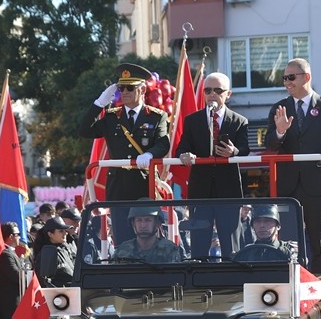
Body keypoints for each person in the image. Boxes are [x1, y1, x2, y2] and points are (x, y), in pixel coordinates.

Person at [264, 57, 321, 274]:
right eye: (284, 78)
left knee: (320, 243)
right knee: (289, 243)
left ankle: (320, 285)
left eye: (291, 77)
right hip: (287, 185)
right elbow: (270, 144)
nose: (287, 82)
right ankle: (292, 286)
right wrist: (280, 131)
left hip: (318, 185)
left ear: (307, 77)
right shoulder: (279, 108)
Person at [79, 63, 171, 245]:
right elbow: (84, 131)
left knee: (147, 236)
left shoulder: (155, 116)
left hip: (144, 183)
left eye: (130, 87)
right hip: (118, 184)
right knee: (122, 237)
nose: (125, 92)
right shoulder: (112, 117)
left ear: (143, 89)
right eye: (122, 88)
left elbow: (163, 143)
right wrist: (98, 104)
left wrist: (150, 155)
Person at [176, 72, 252, 258]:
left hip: (228, 189)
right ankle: (199, 280)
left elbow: (245, 150)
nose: (212, 94)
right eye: (208, 90)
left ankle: (232, 280)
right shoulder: (193, 120)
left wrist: (233, 152)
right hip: (201, 189)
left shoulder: (239, 121)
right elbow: (181, 148)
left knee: (230, 242)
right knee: (200, 241)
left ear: (228, 94)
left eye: (218, 90)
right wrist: (185, 154)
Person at [112, 204, 183, 263]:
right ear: (133, 224)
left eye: (148, 220)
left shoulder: (169, 250)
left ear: (157, 223)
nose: (143, 225)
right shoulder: (122, 251)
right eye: (139, 220)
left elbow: (175, 277)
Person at [232, 204, 297, 262]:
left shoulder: (289, 250)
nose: (262, 225)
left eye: (267, 221)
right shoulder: (246, 253)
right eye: (257, 221)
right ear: (252, 226)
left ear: (278, 226)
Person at [35, 217, 77, 286]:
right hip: (61, 294)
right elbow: (45, 282)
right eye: (61, 231)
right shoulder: (47, 254)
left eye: (65, 230)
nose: (65, 233)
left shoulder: (66, 249)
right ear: (50, 234)